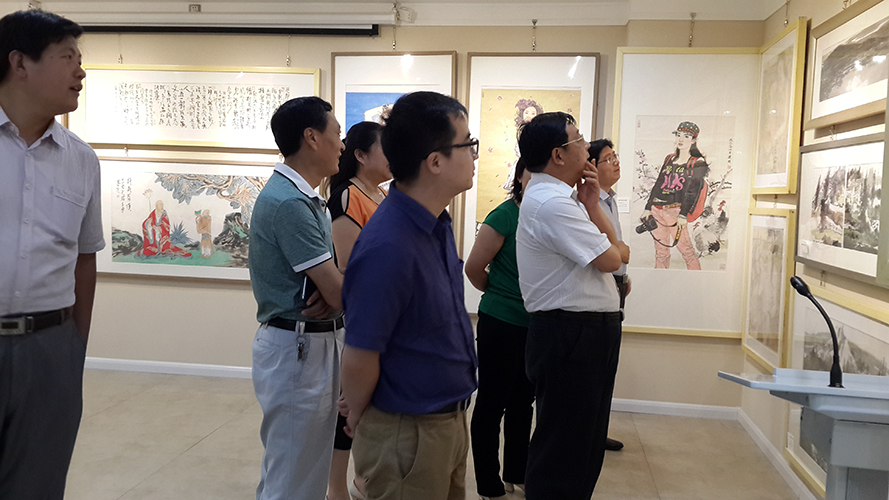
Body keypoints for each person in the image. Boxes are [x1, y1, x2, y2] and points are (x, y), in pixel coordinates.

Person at [340, 91, 478, 500]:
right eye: (467, 144)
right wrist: (363, 420)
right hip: (407, 432)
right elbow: (361, 352)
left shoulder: (435, 224)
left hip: (446, 422)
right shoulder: (388, 244)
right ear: (435, 161)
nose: (474, 154)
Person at [0, 10, 103, 499]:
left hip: (50, 348)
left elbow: (84, 258)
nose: (80, 72)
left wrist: (73, 346)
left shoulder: (80, 159)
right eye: (67, 57)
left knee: (38, 486)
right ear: (20, 63)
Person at [515, 112, 629, 500]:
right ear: (558, 155)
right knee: (564, 448)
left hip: (582, 331)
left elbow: (619, 254)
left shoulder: (565, 198)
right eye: (578, 140)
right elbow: (613, 259)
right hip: (571, 332)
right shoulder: (551, 203)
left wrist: (593, 205)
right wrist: (614, 248)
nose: (586, 147)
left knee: (584, 443)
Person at [248, 96, 346, 500]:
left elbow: (334, 288)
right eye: (336, 133)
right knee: (293, 476)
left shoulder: (306, 197)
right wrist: (335, 291)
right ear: (312, 137)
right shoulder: (290, 201)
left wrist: (334, 291)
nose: (342, 144)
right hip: (298, 347)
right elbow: (337, 290)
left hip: (311, 342)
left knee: (301, 469)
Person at [325, 121, 391, 500]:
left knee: (367, 402)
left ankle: (363, 476)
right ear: (362, 155)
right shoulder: (348, 196)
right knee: (348, 403)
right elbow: (348, 264)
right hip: (361, 314)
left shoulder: (382, 195)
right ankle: (336, 486)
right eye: (385, 148)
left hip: (382, 311)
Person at [465, 158, 535, 500]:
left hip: (535, 325)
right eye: (532, 172)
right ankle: (489, 484)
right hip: (501, 323)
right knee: (492, 404)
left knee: (523, 403)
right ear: (519, 177)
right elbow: (474, 268)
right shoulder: (504, 216)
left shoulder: (549, 216)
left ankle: (517, 474)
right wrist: (502, 294)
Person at [590, 139, 631, 452]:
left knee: (607, 369)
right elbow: (610, 249)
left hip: (616, 284)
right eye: (607, 158)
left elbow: (618, 248)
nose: (615, 162)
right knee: (596, 368)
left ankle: (597, 431)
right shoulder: (587, 203)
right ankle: (590, 433)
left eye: (615, 156)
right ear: (592, 166)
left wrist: (624, 277)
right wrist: (620, 256)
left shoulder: (610, 200)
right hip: (600, 284)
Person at [640, 121, 709, 270]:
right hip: (657, 209)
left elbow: (693, 191)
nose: (681, 139)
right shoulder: (669, 159)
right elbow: (658, 184)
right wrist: (648, 208)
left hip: (675, 211)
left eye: (686, 136)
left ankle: (696, 280)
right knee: (661, 252)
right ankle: (660, 279)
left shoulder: (697, 163)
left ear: (694, 140)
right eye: (678, 135)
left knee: (686, 251)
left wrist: (683, 214)